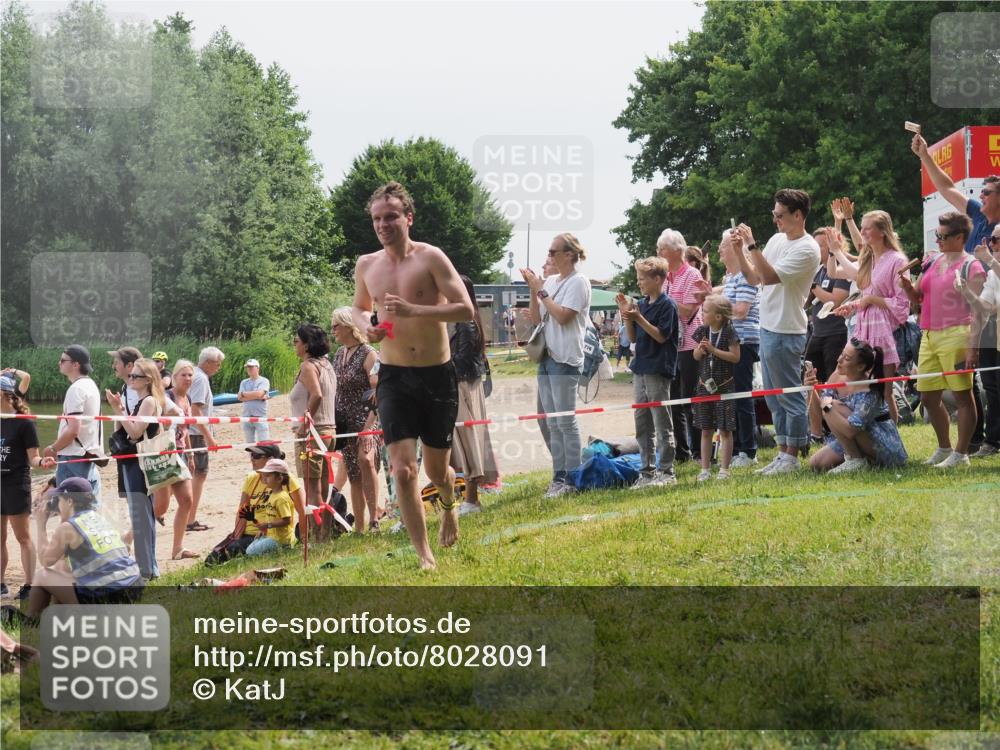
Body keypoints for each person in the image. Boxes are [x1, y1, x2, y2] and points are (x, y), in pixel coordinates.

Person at [352, 181, 474, 570]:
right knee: (403, 469)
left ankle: (448, 503)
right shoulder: (366, 265)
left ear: (408, 218)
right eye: (376, 219)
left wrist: (413, 311)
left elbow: (465, 310)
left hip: (437, 374)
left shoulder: (431, 258)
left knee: (437, 469)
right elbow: (358, 307)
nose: (383, 225)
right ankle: (424, 554)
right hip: (393, 377)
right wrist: (365, 328)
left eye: (390, 217)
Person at [735, 188, 821, 475]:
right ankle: (783, 452)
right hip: (768, 327)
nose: (776, 221)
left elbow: (770, 277)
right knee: (773, 397)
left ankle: (793, 455)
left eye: (780, 215)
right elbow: (754, 276)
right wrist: (739, 249)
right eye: (774, 215)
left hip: (787, 330)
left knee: (789, 396)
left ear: (798, 215)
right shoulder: (775, 240)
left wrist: (750, 246)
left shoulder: (808, 248)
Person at [900, 212, 986, 468]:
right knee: (927, 397)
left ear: (960, 237)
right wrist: (907, 287)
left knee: (962, 396)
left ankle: (961, 454)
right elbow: (918, 298)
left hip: (958, 333)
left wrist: (973, 347)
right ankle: (944, 447)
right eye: (937, 235)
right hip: (928, 333)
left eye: (943, 236)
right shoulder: (933, 262)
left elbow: (979, 311)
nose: (938, 240)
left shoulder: (972, 266)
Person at [0, 478, 143, 626]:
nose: (58, 504)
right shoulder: (99, 518)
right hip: (133, 588)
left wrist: (41, 524)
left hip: (109, 597)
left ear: (69, 501)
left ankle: (31, 621)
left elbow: (45, 560)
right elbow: (123, 548)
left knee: (43, 575)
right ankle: (58, 616)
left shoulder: (68, 528)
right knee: (63, 568)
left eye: (59, 499)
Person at [521, 232, 592, 499]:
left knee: (566, 421)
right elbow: (538, 317)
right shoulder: (550, 280)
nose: (549, 256)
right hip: (547, 356)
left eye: (553, 252)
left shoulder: (579, 282)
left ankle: (573, 479)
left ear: (569, 254)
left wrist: (541, 290)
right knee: (553, 422)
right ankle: (558, 478)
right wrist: (533, 289)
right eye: (549, 252)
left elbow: (563, 317)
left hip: (565, 358)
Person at [828, 204, 911, 423]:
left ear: (882, 231)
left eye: (867, 228)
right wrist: (853, 306)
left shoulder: (898, 260)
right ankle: (862, 432)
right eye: (861, 228)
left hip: (885, 332)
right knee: (857, 386)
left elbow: (902, 305)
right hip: (863, 328)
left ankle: (893, 440)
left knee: (884, 390)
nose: (862, 233)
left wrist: (871, 300)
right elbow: (859, 281)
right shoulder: (869, 259)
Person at [617, 256, 678, 488]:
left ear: (657, 279)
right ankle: (646, 471)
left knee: (661, 421)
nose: (639, 282)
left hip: (658, 369)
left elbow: (661, 336)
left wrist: (638, 318)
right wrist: (627, 315)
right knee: (642, 423)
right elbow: (632, 337)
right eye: (638, 278)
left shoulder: (667, 306)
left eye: (643, 278)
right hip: (640, 368)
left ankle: (667, 471)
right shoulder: (640, 305)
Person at [805, 340, 908, 473]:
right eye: (841, 354)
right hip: (853, 438)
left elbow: (851, 430)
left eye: (846, 358)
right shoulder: (837, 376)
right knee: (816, 464)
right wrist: (811, 388)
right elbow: (821, 414)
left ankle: (856, 459)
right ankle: (859, 459)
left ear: (860, 366)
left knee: (833, 405)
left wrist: (827, 406)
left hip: (881, 444)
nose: (838, 360)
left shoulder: (870, 391)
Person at [107, 358, 165, 580]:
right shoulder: (141, 401)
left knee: (140, 516)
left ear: (148, 379)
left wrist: (117, 409)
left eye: (135, 376)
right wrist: (119, 409)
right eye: (130, 375)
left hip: (139, 463)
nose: (130, 379)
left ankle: (146, 569)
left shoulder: (149, 401)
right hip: (134, 462)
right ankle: (149, 567)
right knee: (142, 515)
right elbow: (121, 430)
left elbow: (134, 434)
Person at [449, 276, 500, 515]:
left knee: (469, 442)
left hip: (463, 385)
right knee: (460, 444)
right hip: (458, 385)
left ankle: (472, 499)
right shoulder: (456, 319)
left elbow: (462, 360)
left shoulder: (466, 322)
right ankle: (465, 497)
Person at [1, 373, 54, 601]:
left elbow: (33, 458)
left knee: (22, 537)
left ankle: (30, 585)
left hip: (15, 484)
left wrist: (42, 462)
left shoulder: (24, 422)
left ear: (4, 395)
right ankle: (1, 584)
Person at [656, 228, 707, 463]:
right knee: (673, 401)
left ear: (677, 250)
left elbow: (688, 310)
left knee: (691, 400)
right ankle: (681, 452)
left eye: (662, 248)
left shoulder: (693, 274)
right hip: (670, 346)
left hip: (690, 345)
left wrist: (664, 300)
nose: (658, 252)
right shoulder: (664, 278)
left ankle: (698, 451)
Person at [331, 307, 382, 531]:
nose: (333, 330)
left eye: (336, 326)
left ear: (349, 326)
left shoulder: (369, 353)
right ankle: (359, 526)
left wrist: (368, 427)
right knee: (353, 472)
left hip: (367, 419)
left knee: (367, 461)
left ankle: (374, 519)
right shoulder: (339, 354)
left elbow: (378, 390)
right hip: (345, 422)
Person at [912, 134, 999, 253]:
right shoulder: (978, 214)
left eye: (987, 192)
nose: (980, 196)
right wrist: (924, 156)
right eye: (982, 192)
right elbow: (947, 188)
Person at [290, 323, 338, 539]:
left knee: (312, 487)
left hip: (314, 432)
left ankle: (316, 536)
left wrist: (304, 424)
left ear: (307, 345)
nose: (294, 345)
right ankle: (324, 534)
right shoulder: (327, 364)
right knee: (323, 487)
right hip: (329, 430)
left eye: (297, 341)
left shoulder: (309, 366)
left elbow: (316, 395)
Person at [719, 230, 761, 468]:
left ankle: (748, 450)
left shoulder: (745, 277)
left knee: (742, 396)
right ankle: (736, 449)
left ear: (735, 250)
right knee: (733, 398)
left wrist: (716, 311)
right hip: (734, 342)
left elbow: (742, 310)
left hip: (744, 342)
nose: (719, 252)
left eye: (723, 247)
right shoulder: (732, 278)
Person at [806, 226, 852, 439]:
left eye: (821, 246)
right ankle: (816, 432)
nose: (817, 250)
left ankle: (835, 428)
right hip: (817, 333)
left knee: (832, 384)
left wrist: (813, 287)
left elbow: (836, 299)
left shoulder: (841, 269)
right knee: (810, 381)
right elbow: (807, 302)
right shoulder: (817, 270)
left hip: (835, 333)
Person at [42, 346, 102, 503]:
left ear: (76, 364)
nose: (59, 363)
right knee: (89, 505)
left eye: (63, 360)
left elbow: (73, 429)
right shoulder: (90, 385)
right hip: (86, 453)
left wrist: (53, 448)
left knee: (71, 509)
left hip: (73, 455)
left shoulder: (76, 389)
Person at [692, 295, 741, 481]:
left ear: (718, 316)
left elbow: (735, 357)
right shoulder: (702, 331)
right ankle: (705, 468)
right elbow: (696, 357)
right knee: (706, 429)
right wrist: (701, 351)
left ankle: (724, 469)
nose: (702, 314)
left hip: (725, 387)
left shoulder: (729, 332)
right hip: (705, 387)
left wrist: (713, 350)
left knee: (725, 429)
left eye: (705, 311)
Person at [962, 232, 1000, 458]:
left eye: (996, 240)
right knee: (992, 388)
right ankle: (992, 440)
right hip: (992, 331)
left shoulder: (993, 266)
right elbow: (986, 306)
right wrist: (966, 292)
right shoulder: (992, 272)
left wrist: (991, 261)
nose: (991, 243)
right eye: (991, 239)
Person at [160, 359, 198, 561]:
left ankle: (177, 548)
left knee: (186, 500)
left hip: (181, 453)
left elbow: (186, 430)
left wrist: (190, 454)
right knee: (161, 506)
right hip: (166, 455)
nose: (188, 378)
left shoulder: (188, 398)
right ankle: (128, 537)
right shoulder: (168, 397)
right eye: (183, 374)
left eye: (190, 375)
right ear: (173, 377)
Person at [187, 346, 225, 532]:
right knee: (199, 474)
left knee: (190, 474)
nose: (218, 368)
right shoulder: (200, 378)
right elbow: (196, 410)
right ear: (208, 363)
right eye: (217, 365)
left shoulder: (194, 374)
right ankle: (190, 518)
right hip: (196, 434)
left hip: (191, 432)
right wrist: (209, 437)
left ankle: (186, 516)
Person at [245, 458, 296, 557]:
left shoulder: (281, 498)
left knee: (250, 552)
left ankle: (284, 548)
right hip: (272, 535)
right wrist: (263, 530)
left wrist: (267, 525)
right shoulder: (272, 494)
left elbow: (287, 520)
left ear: (279, 478)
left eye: (268, 476)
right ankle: (275, 551)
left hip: (280, 539)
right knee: (252, 546)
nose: (264, 479)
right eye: (264, 476)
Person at [237, 358, 271, 446]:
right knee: (250, 445)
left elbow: (259, 394)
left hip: (260, 416)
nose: (249, 369)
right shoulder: (244, 382)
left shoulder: (264, 380)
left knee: (264, 443)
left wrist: (245, 394)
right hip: (246, 416)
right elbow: (240, 398)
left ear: (258, 368)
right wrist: (257, 396)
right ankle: (253, 459)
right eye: (248, 367)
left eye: (251, 367)